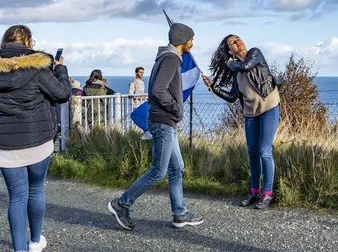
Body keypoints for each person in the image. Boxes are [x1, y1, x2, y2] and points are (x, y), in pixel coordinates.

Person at [0, 25, 71, 252]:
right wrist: (60, 69)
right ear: (28, 42)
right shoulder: (37, 68)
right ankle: (35, 242)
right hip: (38, 138)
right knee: (35, 189)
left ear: (4, 44)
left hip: (5, 142)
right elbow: (62, 94)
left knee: (16, 196)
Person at [108, 22, 204, 230]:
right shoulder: (170, 59)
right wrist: (176, 110)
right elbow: (158, 90)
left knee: (177, 168)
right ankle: (122, 204)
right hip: (163, 121)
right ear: (183, 40)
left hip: (164, 121)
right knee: (158, 172)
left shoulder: (169, 58)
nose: (193, 43)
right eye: (191, 39)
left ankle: (180, 214)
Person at [202, 35, 280, 210]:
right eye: (233, 43)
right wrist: (214, 87)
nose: (238, 42)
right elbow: (232, 97)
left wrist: (230, 63)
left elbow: (245, 66)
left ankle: (268, 193)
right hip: (250, 113)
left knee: (264, 151)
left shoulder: (255, 53)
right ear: (230, 51)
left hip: (269, 107)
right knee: (252, 152)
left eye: (238, 39)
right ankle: (255, 191)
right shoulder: (237, 72)